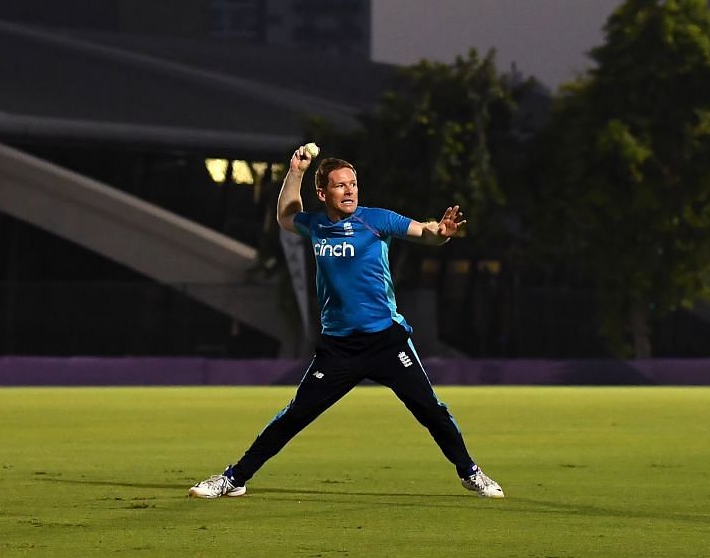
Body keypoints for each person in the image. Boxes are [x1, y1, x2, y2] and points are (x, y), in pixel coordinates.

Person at [190, 146, 504, 500]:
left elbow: (424, 232)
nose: (350, 190)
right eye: (340, 186)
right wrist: (295, 171)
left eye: (353, 184)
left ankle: (470, 473)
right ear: (323, 193)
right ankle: (234, 479)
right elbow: (285, 217)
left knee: (431, 411)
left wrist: (441, 232)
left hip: (386, 341)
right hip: (339, 348)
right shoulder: (317, 225)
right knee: (294, 416)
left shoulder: (376, 219)